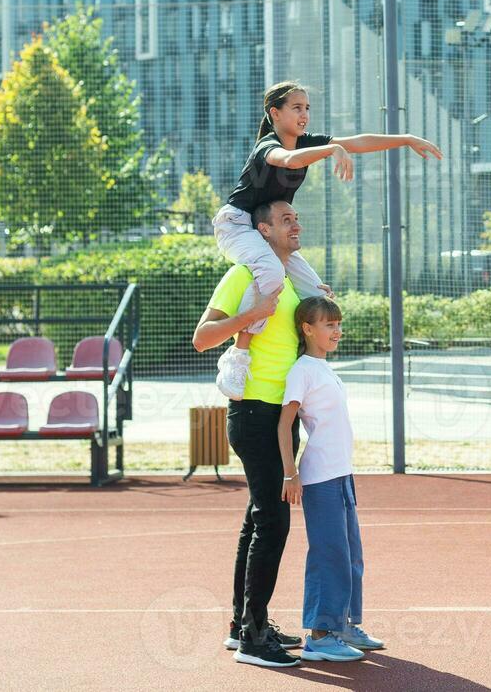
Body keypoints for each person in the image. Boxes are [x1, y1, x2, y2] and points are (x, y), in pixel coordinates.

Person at [212, 80, 442, 341]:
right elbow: (287, 160)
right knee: (272, 271)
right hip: (237, 226)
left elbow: (358, 142)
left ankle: (307, 359)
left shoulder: (305, 141)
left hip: (267, 231)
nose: (304, 115)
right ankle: (241, 352)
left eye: (307, 108)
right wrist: (332, 149)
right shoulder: (267, 146)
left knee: (317, 296)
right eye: (297, 108)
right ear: (275, 113)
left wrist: (406, 139)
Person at [192, 200, 314, 670]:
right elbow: (203, 337)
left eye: (296, 217)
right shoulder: (247, 274)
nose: (296, 223)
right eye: (286, 220)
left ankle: (244, 623)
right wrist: (253, 312)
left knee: (258, 517)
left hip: (281, 415)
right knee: (273, 520)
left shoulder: (292, 280)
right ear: (262, 231)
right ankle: (253, 637)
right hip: (253, 413)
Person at [277, 296, 385, 662]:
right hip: (320, 477)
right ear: (308, 329)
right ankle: (320, 635)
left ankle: (344, 625)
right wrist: (289, 473)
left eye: (338, 324)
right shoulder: (302, 370)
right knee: (330, 554)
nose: (337, 331)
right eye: (329, 325)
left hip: (342, 475)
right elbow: (284, 424)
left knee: (352, 554)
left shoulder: (325, 368)